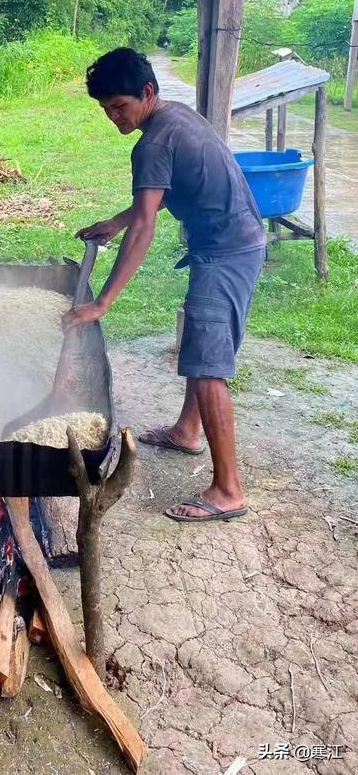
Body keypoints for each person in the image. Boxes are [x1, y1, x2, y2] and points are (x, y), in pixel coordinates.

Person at [64, 48, 266, 523]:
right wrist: (114, 222)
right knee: (201, 351)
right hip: (229, 243)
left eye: (120, 106)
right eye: (106, 109)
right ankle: (186, 431)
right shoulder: (173, 118)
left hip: (226, 254)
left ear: (147, 93)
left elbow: (146, 227)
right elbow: (147, 207)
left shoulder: (152, 144)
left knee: (206, 365)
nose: (114, 118)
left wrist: (103, 302)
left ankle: (228, 490)